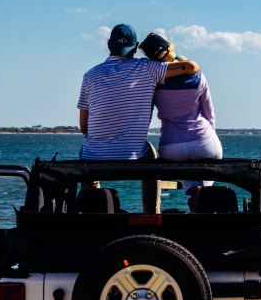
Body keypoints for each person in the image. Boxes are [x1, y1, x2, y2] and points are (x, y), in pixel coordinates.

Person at [77, 24, 200, 211]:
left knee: (87, 150)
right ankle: (151, 214)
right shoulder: (148, 68)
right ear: (135, 48)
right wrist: (169, 56)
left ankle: (94, 210)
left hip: (94, 156)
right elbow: (191, 67)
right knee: (150, 154)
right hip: (134, 156)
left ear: (109, 45)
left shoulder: (89, 75)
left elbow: (84, 127)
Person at [139, 31, 222, 209]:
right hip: (203, 141)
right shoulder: (198, 76)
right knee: (202, 167)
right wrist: (208, 138)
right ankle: (200, 197)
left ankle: (194, 192)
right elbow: (209, 113)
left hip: (171, 148)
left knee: (187, 165)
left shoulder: (153, 80)